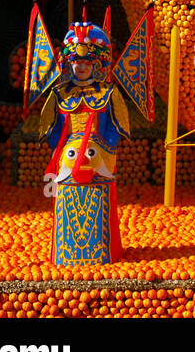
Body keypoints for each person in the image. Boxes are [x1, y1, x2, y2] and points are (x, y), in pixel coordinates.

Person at [39, 18, 129, 264]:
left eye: (87, 63)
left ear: (95, 65)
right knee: (68, 204)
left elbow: (115, 128)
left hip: (98, 158)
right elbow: (53, 129)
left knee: (98, 207)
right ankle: (67, 253)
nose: (82, 68)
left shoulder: (107, 92)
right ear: (71, 65)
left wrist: (102, 148)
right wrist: (65, 149)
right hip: (67, 162)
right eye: (78, 63)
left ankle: (100, 253)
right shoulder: (60, 93)